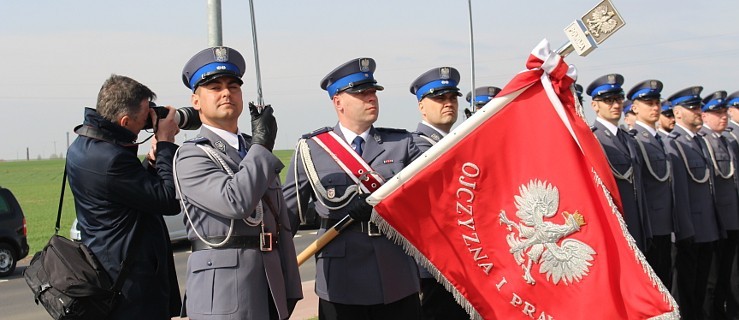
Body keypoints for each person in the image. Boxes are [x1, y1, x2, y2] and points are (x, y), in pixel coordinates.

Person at [282, 57, 423, 320]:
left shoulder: (403, 144)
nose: (371, 98)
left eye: (372, 92)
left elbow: (426, 201)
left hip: (395, 274)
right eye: (361, 93)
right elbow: (287, 217)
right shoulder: (312, 149)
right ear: (338, 102)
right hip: (341, 280)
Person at [173, 46, 302, 320]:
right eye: (214, 87)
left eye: (233, 86)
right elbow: (236, 201)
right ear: (196, 101)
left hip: (268, 284)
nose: (226, 93)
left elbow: (280, 222)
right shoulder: (191, 154)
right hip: (223, 294)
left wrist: (290, 285)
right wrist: (262, 145)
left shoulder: (251, 148)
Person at [66, 74, 182, 319]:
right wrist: (165, 144)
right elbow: (168, 200)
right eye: (143, 118)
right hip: (130, 290)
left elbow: (124, 192)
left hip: (108, 273)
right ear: (125, 120)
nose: (147, 124)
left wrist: (151, 163)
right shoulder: (111, 158)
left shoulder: (83, 145)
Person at [409, 67, 468, 320]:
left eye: (452, 98)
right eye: (440, 98)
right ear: (422, 107)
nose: (448, 104)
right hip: (435, 266)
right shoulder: (414, 147)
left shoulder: (460, 142)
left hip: (466, 259)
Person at [664, 86, 720, 320]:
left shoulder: (698, 141)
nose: (698, 111)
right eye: (692, 108)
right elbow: (678, 192)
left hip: (706, 226)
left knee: (704, 286)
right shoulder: (674, 143)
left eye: (698, 107)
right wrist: (684, 229)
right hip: (688, 230)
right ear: (678, 113)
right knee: (685, 289)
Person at [587, 74, 651, 252]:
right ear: (595, 105)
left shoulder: (627, 138)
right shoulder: (594, 139)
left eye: (618, 99)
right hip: (615, 224)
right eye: (608, 100)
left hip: (636, 223)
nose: (616, 105)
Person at [626, 80, 675, 289]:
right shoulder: (635, 139)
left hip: (666, 222)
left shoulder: (660, 139)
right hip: (650, 226)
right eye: (649, 103)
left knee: (667, 280)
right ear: (635, 108)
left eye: (657, 103)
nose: (655, 108)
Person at [697, 91, 739, 319]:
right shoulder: (703, 141)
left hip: (730, 218)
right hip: (714, 220)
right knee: (712, 279)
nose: (723, 117)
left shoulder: (727, 141)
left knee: (728, 274)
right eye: (717, 113)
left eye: (724, 112)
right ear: (704, 116)